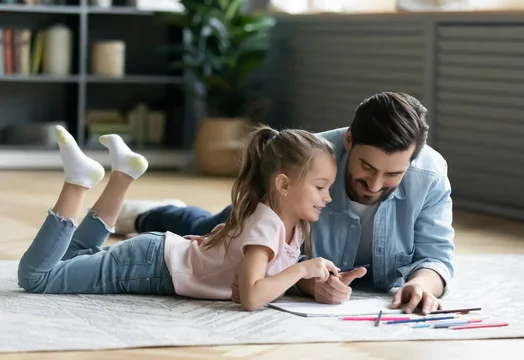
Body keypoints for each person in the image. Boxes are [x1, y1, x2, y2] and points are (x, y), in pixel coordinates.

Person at [115, 92, 455, 315]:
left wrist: (421, 284)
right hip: (260, 222)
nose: (375, 185)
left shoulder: (431, 176)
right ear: (349, 140)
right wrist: (307, 284)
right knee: (203, 232)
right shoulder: (311, 161)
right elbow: (276, 261)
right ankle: (148, 214)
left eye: (393, 174)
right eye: (366, 167)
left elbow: (436, 256)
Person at [17, 125, 340, 311]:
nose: (327, 197)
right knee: (38, 278)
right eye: (320, 187)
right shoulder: (268, 226)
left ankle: (123, 176)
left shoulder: (292, 226)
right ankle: (77, 184)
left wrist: (311, 282)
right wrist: (302, 269)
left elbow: (253, 285)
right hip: (150, 266)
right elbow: (253, 299)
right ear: (283, 184)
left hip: (155, 259)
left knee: (73, 255)